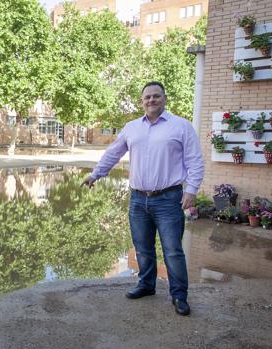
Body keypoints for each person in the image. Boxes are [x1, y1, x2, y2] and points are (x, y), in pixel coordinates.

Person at [82, 81, 204, 316]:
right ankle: (147, 285)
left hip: (169, 199)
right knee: (143, 248)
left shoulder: (181, 127)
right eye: (147, 97)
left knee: (172, 250)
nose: (151, 100)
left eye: (156, 96)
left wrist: (192, 191)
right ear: (142, 101)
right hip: (138, 199)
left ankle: (179, 295)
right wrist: (96, 174)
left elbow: (195, 161)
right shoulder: (131, 127)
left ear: (165, 99)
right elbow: (113, 153)